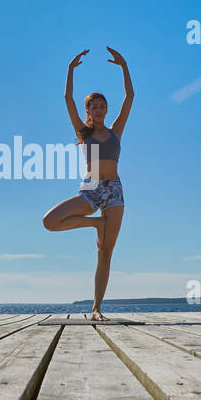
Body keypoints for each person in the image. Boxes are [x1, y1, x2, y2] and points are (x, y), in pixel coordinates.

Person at [41, 46, 133, 322]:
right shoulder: (83, 132)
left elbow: (130, 97)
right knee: (50, 221)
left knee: (105, 252)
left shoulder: (116, 131)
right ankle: (95, 222)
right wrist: (70, 70)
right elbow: (67, 98)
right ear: (88, 111)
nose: (99, 109)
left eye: (102, 105)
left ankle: (96, 308)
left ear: (107, 109)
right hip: (91, 189)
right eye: (94, 106)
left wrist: (124, 65)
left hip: (114, 190)